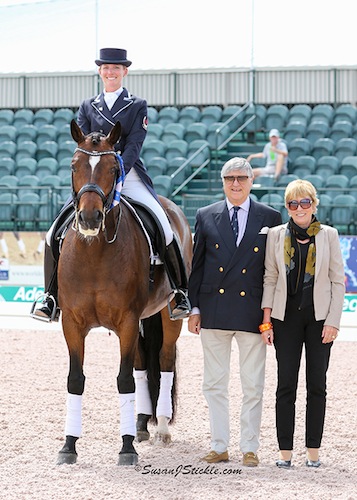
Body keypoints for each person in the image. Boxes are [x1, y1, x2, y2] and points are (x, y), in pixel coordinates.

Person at [32, 47, 190, 322]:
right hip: (94, 179)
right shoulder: (87, 106)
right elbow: (82, 142)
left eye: (116, 68)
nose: (111, 72)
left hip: (128, 175)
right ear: (100, 72)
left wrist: (118, 171)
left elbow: (134, 144)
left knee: (165, 227)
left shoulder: (137, 104)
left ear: (124, 71)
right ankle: (50, 297)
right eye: (106, 68)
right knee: (52, 232)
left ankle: (178, 292)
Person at [187, 157, 282, 466]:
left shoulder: (270, 216)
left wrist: (270, 315)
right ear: (223, 182)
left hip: (253, 313)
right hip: (213, 310)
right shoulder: (205, 215)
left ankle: (250, 448)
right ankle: (219, 445)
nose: (236, 183)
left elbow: (274, 271)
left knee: (253, 384)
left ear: (252, 181)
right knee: (214, 384)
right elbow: (197, 265)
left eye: (242, 177)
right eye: (230, 178)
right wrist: (195, 308)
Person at [260, 179, 345, 469]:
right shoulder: (275, 235)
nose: (299, 208)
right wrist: (266, 321)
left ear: (314, 204)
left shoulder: (329, 236)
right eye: (293, 203)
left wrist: (333, 321)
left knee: (317, 386)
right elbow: (270, 278)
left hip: (320, 320)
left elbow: (337, 282)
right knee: (285, 386)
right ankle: (285, 452)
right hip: (285, 320)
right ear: (287, 207)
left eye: (305, 202)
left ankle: (313, 451)